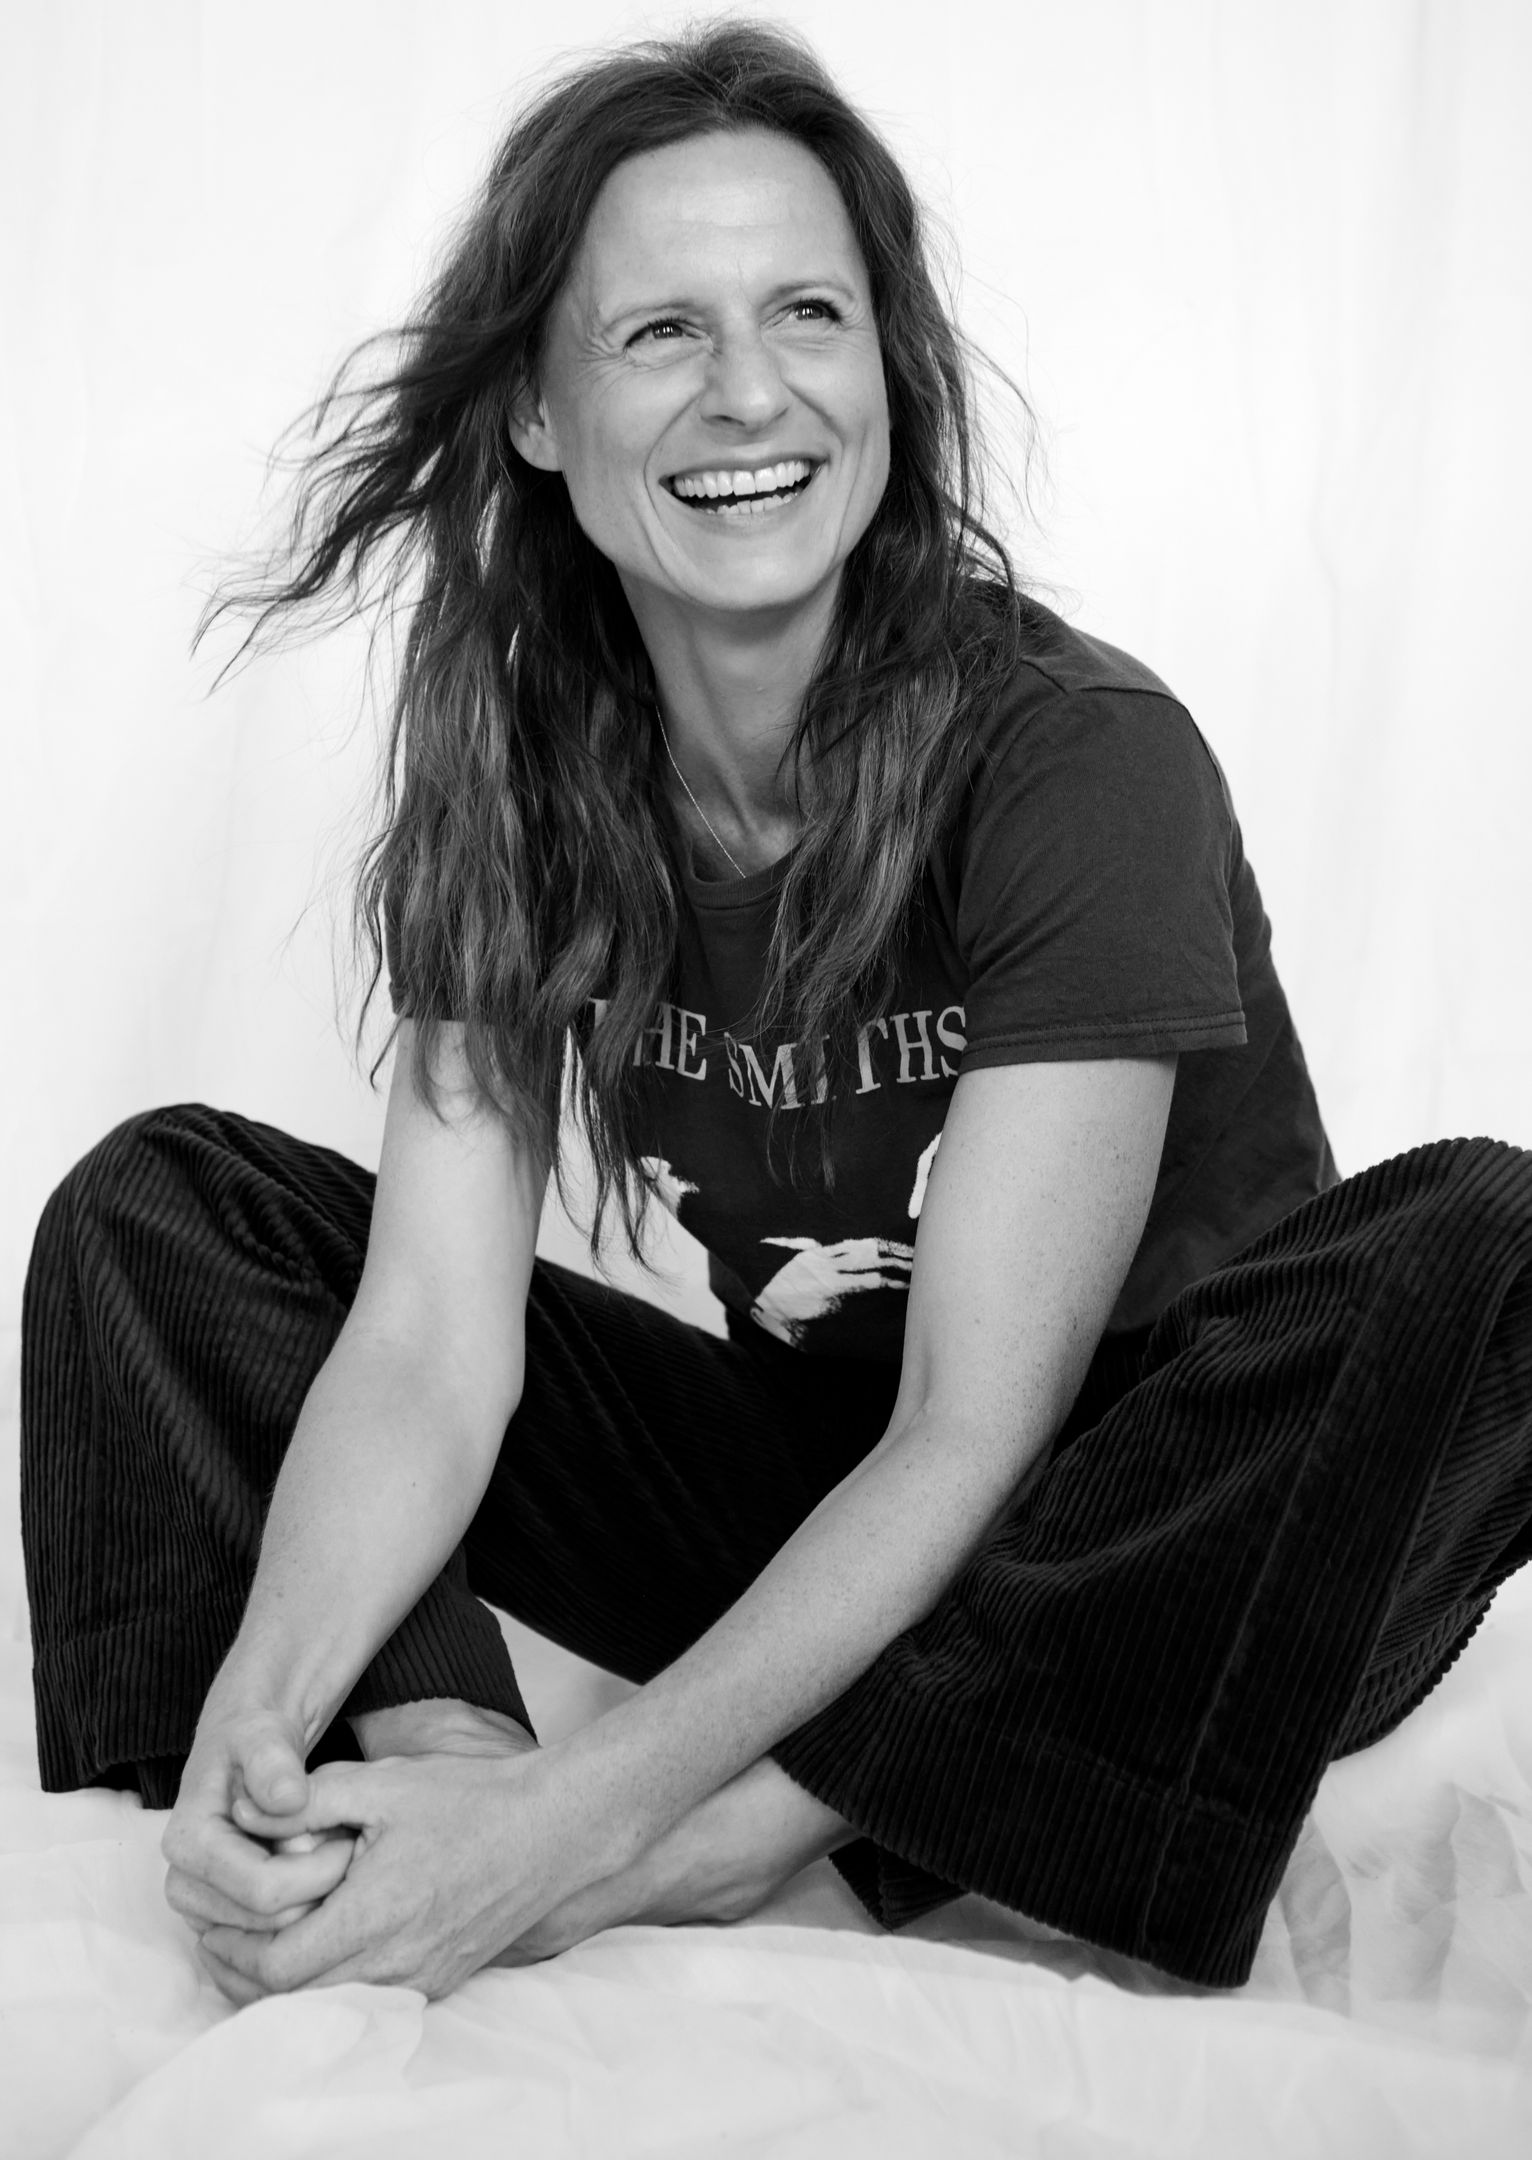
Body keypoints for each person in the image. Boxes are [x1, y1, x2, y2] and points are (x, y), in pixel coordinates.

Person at [20, 20, 1532, 2006]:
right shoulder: (524, 772)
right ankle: (424, 1784)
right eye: (660, 331)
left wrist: (604, 1833)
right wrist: (268, 1706)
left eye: (807, 312)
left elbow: (976, 1430)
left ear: (884, 369)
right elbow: (426, 1345)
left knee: (1493, 1241)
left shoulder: (1077, 755)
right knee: (165, 1213)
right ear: (538, 409)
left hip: (1171, 1552)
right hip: (828, 1502)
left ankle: (715, 1849)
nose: (750, 390)